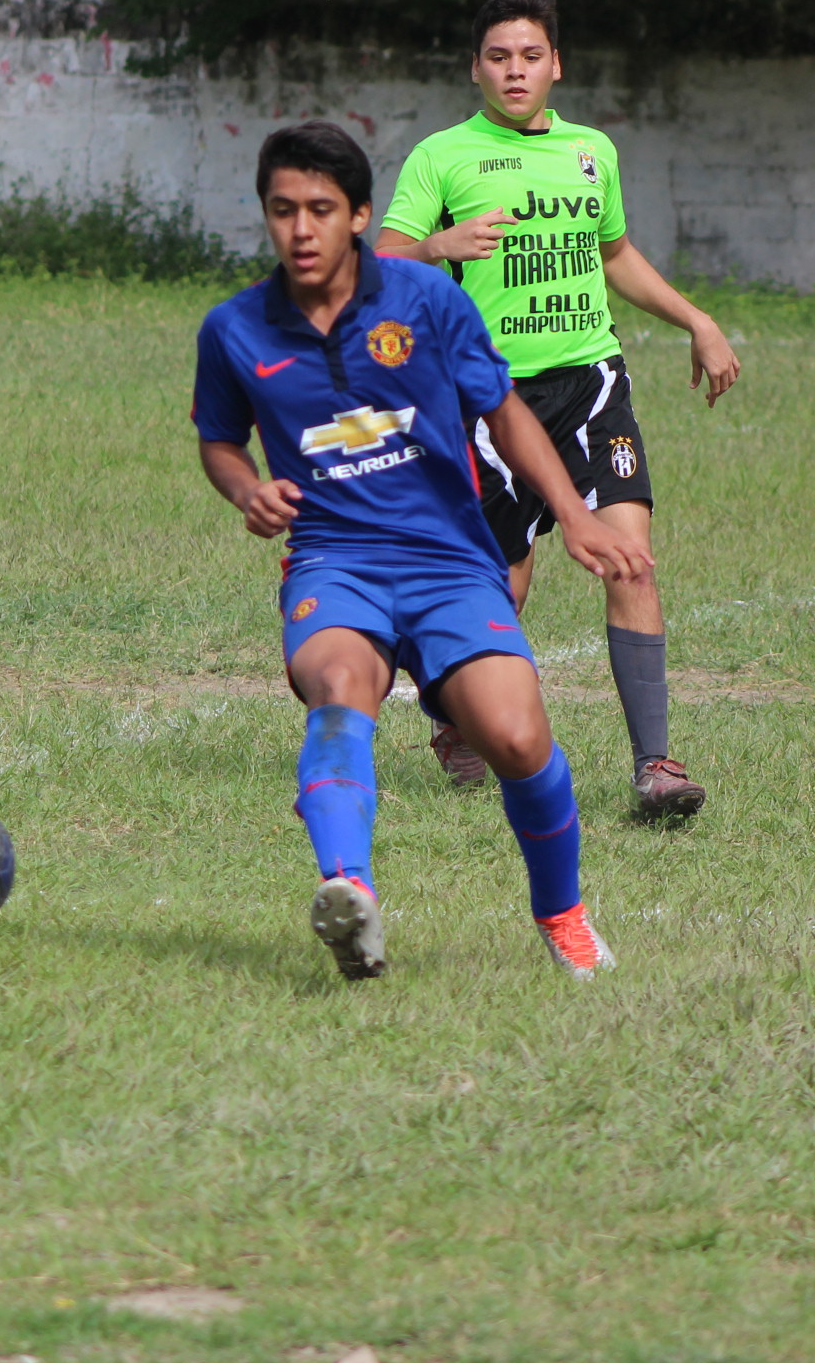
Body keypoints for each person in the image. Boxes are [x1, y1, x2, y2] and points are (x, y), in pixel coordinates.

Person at [193, 122, 652, 981]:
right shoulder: (234, 329)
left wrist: (576, 515)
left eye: (321, 209)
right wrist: (244, 486)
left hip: (450, 560)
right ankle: (348, 894)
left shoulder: (429, 302)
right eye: (283, 209)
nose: (300, 228)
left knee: (515, 738)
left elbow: (505, 411)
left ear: (359, 215)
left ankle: (563, 915)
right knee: (339, 687)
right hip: (333, 560)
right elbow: (219, 439)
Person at [377, 0, 741, 818]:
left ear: (556, 65)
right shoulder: (443, 158)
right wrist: (438, 245)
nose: (515, 70)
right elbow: (382, 266)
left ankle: (656, 765)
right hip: (490, 398)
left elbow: (614, 253)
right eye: (499, 57)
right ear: (475, 68)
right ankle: (456, 714)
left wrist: (696, 318)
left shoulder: (591, 153)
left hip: (593, 382)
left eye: (530, 56)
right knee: (500, 586)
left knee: (631, 556)